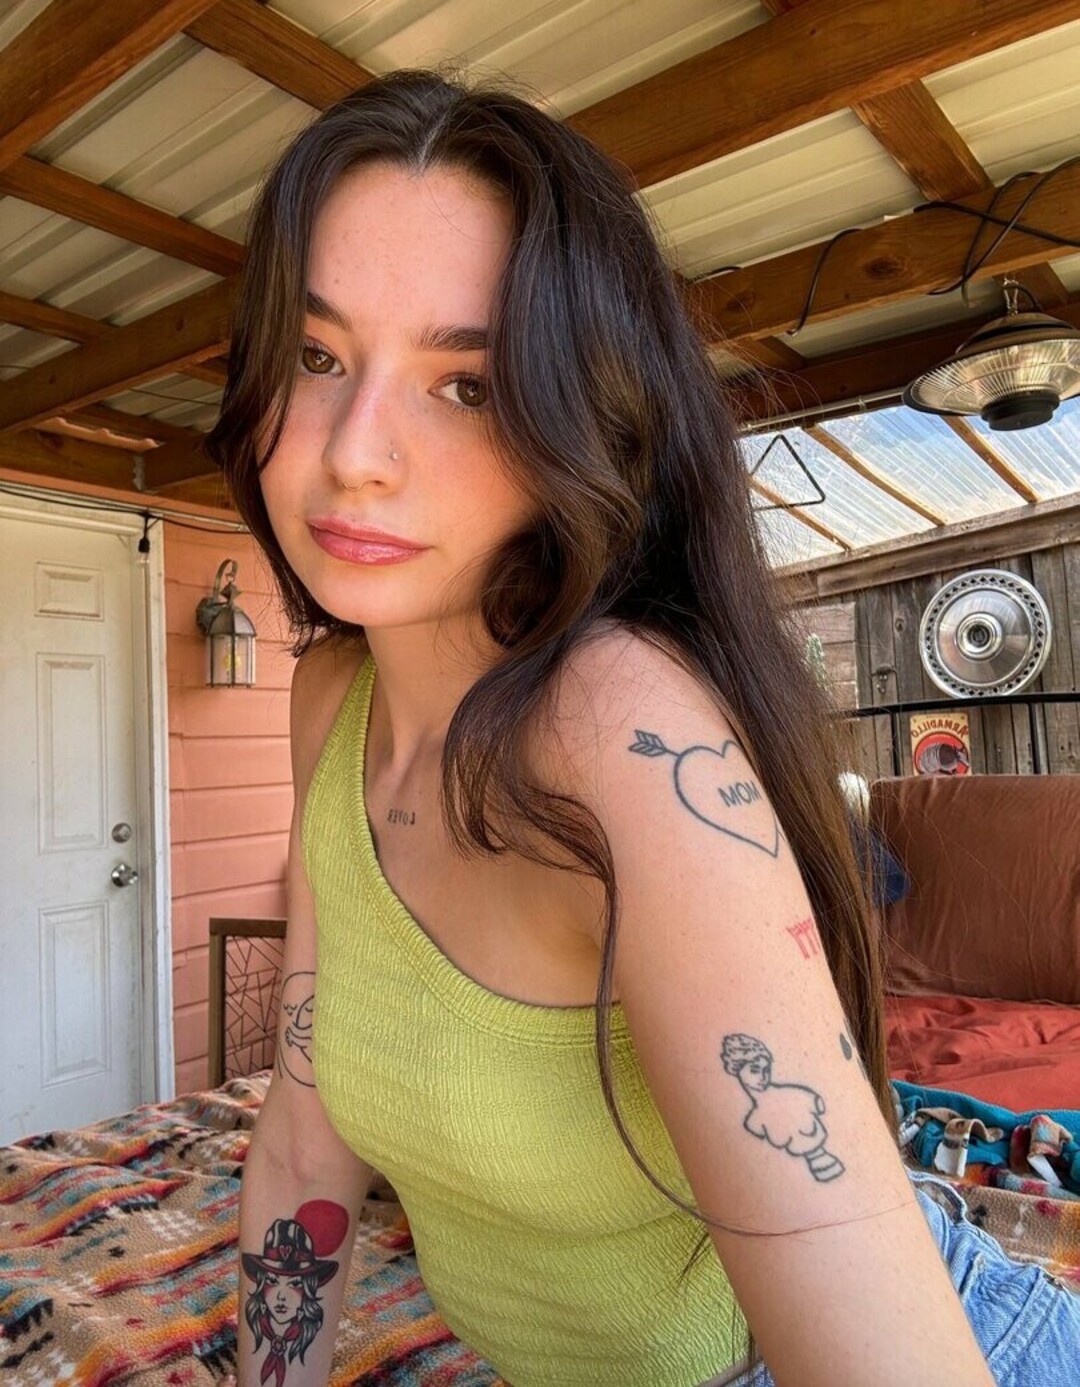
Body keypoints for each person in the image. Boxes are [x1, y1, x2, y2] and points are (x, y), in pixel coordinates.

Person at [207, 69, 1079, 1387]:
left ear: (583, 420)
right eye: (318, 357)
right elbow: (303, 1126)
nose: (354, 453)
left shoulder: (621, 731)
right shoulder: (331, 698)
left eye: (469, 383)